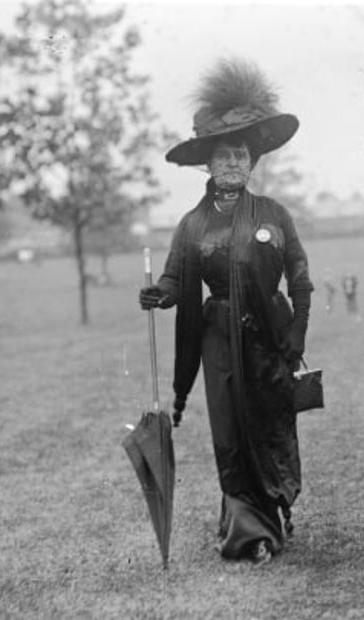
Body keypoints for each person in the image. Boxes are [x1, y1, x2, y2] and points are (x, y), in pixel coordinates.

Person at [138, 58, 312, 564]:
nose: (233, 163)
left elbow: (300, 279)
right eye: (223, 156)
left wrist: (297, 333)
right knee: (231, 431)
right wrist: (159, 295)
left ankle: (274, 510)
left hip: (270, 338)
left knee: (269, 425)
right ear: (208, 165)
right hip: (217, 338)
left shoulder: (275, 215)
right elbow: (174, 279)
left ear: (251, 162)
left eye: (241, 155)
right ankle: (246, 529)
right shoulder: (192, 225)